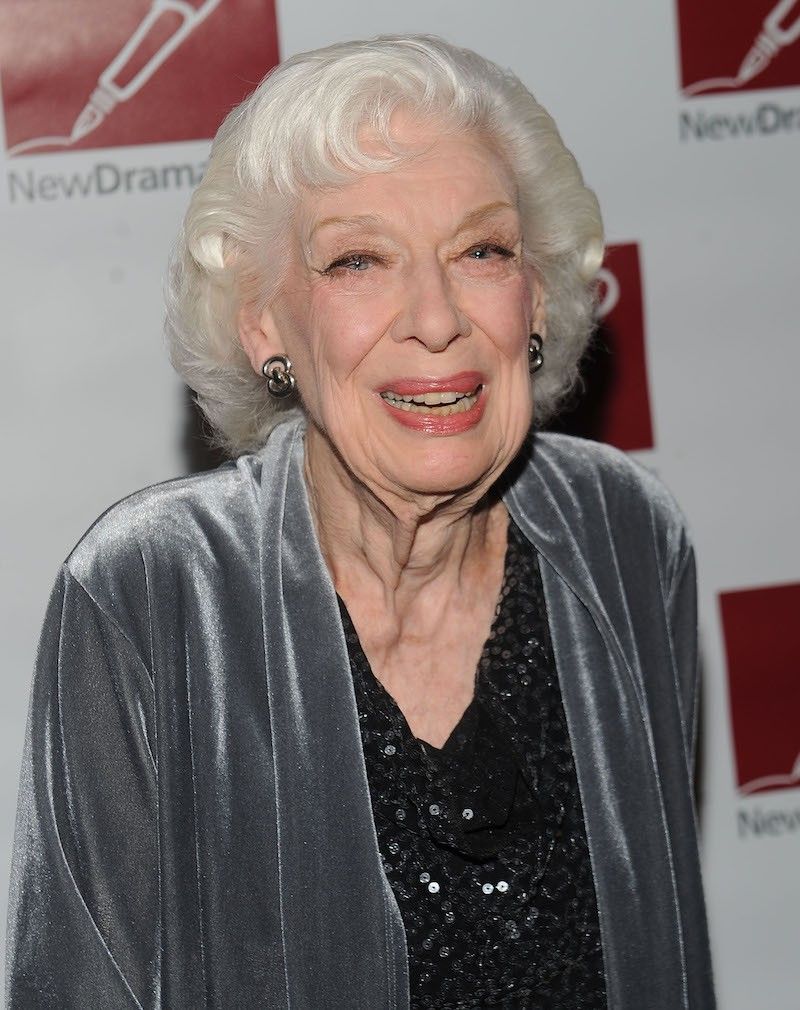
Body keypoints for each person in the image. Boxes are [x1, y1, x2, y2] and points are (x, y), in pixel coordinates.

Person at [7, 35, 715, 1009]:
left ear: (535, 297)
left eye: (480, 250)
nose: (434, 316)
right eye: (357, 260)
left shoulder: (624, 539)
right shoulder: (152, 592)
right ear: (264, 324)